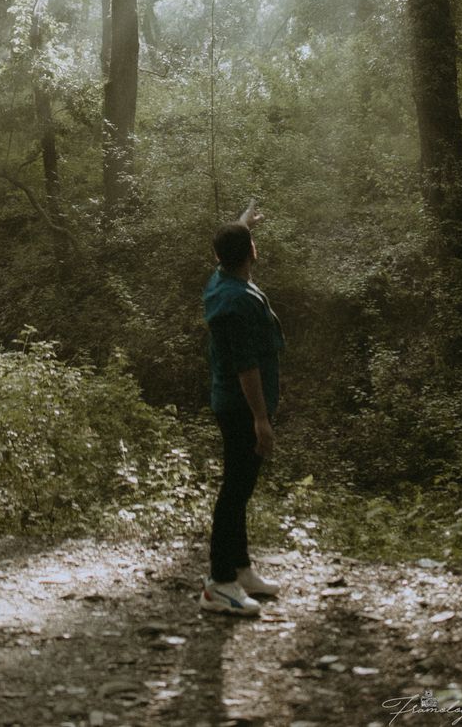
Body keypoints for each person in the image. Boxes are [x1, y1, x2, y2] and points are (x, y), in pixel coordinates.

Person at [200, 203, 285, 616]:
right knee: (235, 491)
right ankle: (219, 583)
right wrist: (261, 419)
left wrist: (243, 220)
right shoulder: (233, 302)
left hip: (236, 404)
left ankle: (240, 569)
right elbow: (246, 366)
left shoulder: (222, 281)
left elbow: (229, 244)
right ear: (252, 251)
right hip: (240, 408)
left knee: (241, 487)